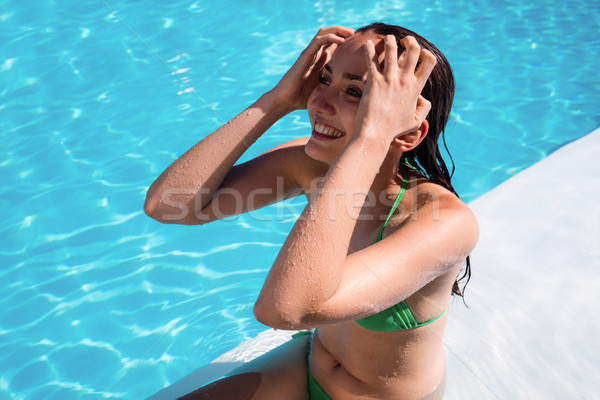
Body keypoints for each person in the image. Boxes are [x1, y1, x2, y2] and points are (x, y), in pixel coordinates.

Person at [145, 22, 479, 400]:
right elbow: (168, 205)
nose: (318, 104)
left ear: (406, 132)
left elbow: (282, 311)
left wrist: (372, 136)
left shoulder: (445, 224)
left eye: (355, 91)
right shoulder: (315, 163)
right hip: (304, 367)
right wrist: (276, 101)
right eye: (324, 79)